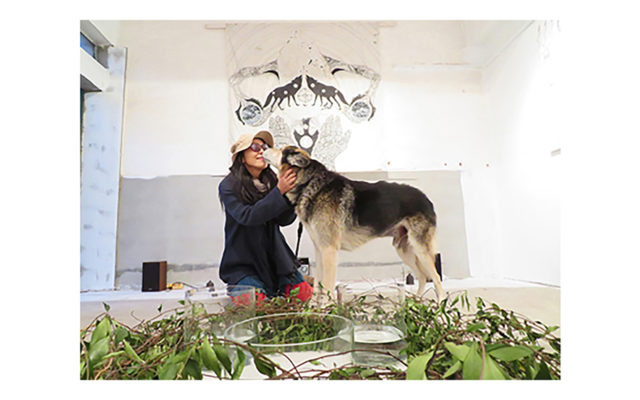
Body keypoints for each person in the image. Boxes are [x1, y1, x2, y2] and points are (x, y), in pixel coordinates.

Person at [218, 130, 313, 304]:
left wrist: (291, 193)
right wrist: (279, 191)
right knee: (256, 306)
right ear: (241, 157)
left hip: (277, 260)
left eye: (265, 147)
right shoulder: (228, 186)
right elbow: (248, 217)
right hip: (245, 263)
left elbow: (284, 220)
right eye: (255, 147)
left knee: (305, 297)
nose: (261, 151)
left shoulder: (272, 181)